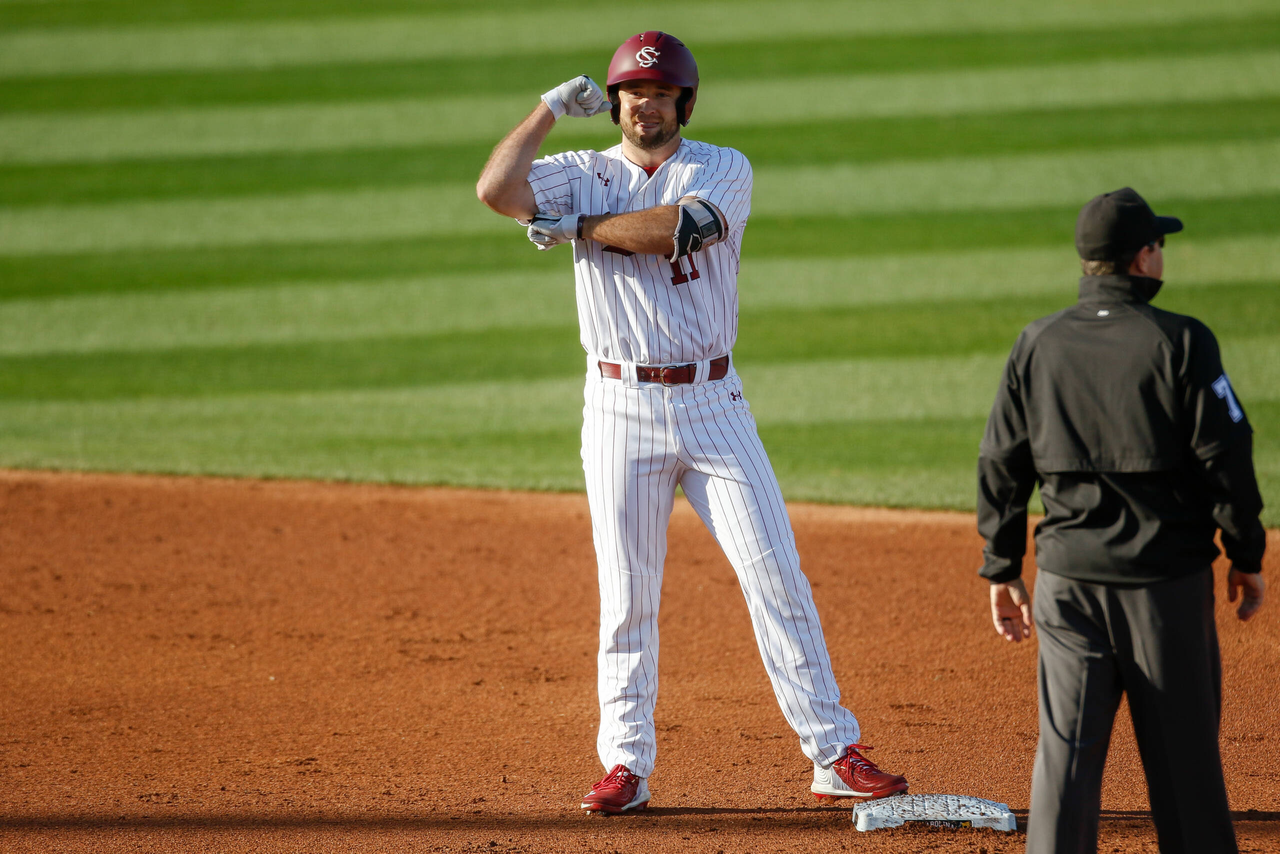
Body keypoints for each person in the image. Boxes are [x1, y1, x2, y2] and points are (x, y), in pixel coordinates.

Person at [475, 31, 908, 814]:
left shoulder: (721, 167)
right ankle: (625, 766)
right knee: (628, 593)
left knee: (773, 571)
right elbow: (495, 191)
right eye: (635, 94)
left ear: (685, 102)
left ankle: (832, 752)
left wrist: (576, 227)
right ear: (615, 102)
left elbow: (677, 231)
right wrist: (543, 111)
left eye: (662, 94)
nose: (648, 106)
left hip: (714, 404)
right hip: (617, 407)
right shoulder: (579, 170)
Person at [977, 187, 1267, 853]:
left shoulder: (1037, 343)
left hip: (1067, 584)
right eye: (1158, 245)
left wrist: (1001, 565)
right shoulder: (1182, 340)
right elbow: (1227, 458)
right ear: (1143, 259)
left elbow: (1000, 460)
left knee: (1065, 764)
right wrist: (1246, 554)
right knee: (1185, 767)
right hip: (1163, 585)